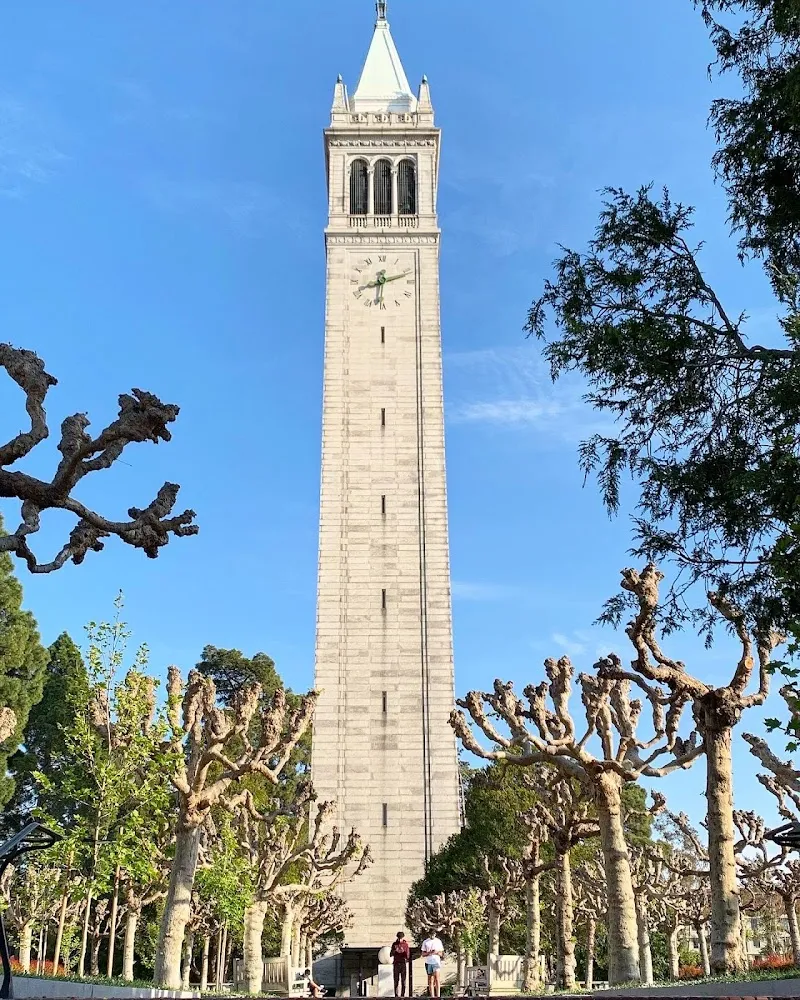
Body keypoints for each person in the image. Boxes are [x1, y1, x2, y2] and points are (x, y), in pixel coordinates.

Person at [421, 930, 444, 998]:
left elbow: (441, 953)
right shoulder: (425, 942)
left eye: (433, 934)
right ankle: (432, 996)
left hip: (436, 962)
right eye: (431, 934)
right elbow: (423, 954)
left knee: (437, 978)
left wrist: (436, 952)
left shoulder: (438, 941)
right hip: (429, 962)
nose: (432, 936)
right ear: (429, 934)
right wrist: (429, 953)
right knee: (430, 980)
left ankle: (438, 995)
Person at [390, 931, 410, 997]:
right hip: (396, 963)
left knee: (403, 981)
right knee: (396, 980)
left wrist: (403, 951)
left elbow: (407, 956)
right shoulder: (394, 944)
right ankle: (396, 995)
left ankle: (402, 995)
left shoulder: (405, 945)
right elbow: (390, 954)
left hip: (403, 963)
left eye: (401, 938)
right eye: (399, 938)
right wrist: (394, 951)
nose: (399, 939)